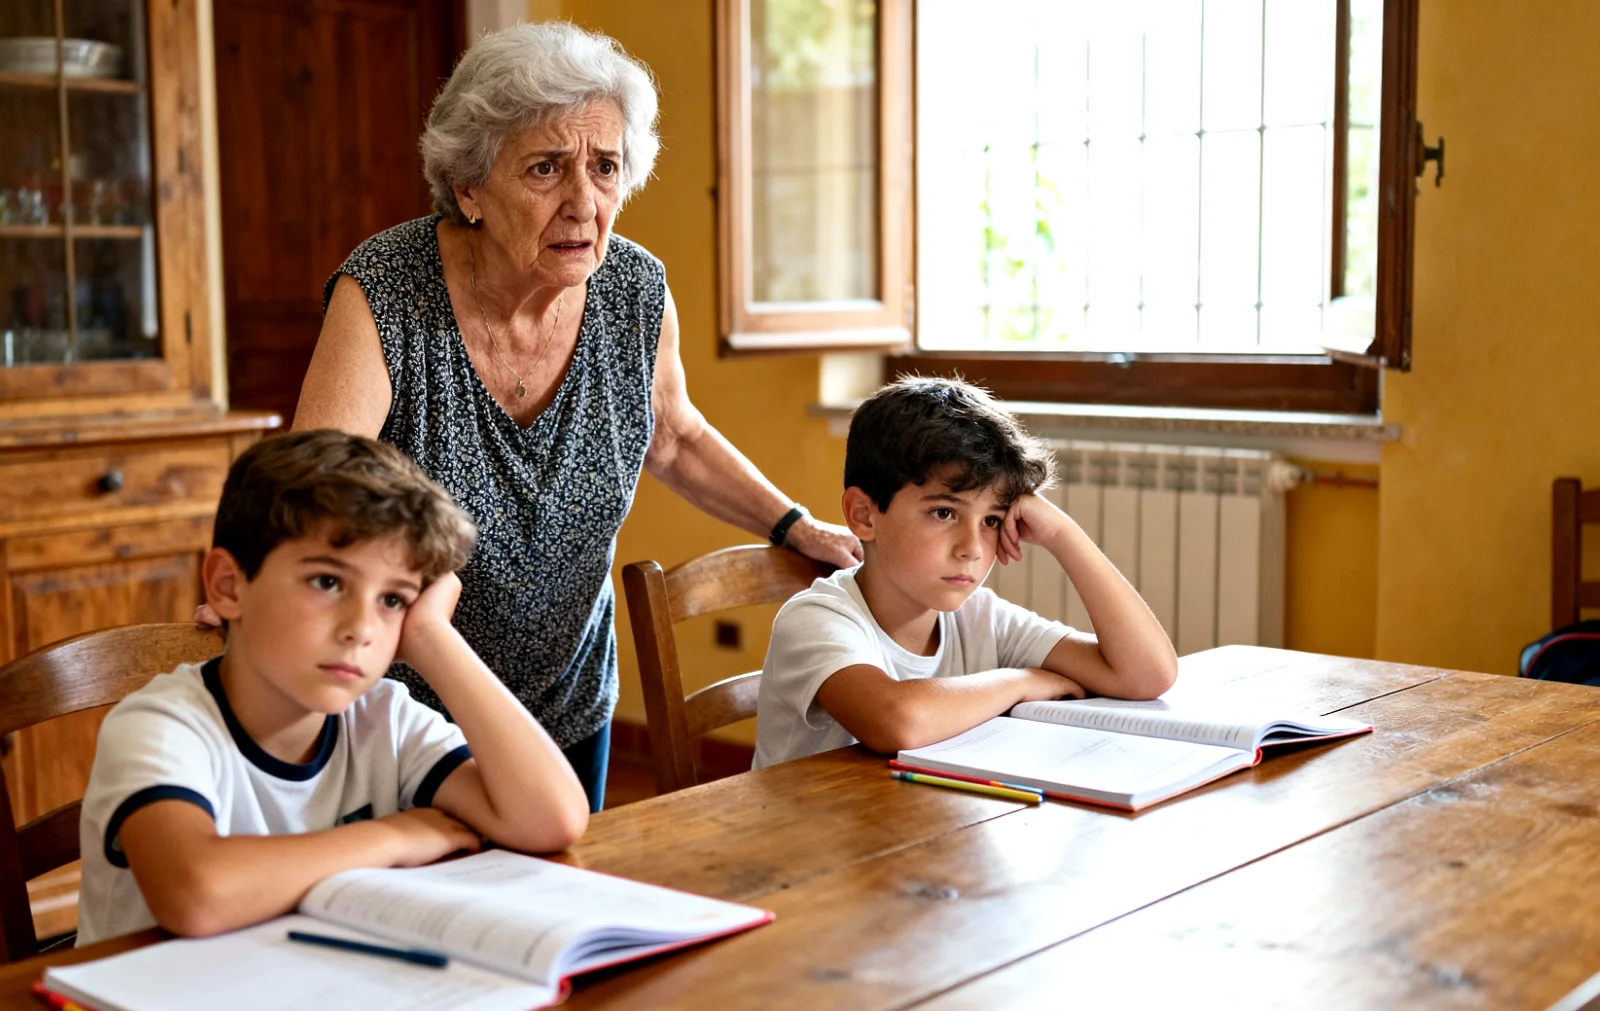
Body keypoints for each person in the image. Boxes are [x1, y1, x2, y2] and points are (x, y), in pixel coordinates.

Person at [284, 22, 861, 811]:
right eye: (547, 168)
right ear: (470, 188)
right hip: (398, 708)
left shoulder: (633, 290)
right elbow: (312, 486)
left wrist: (793, 524)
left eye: (605, 167)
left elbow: (675, 433)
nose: (584, 203)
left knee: (555, 905)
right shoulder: (386, 291)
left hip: (568, 695)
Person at [76, 430, 588, 944]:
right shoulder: (159, 727)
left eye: (393, 600)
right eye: (328, 582)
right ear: (229, 586)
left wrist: (434, 638)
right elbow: (198, 895)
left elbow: (553, 820)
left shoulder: (384, 719)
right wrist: (395, 835)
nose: (361, 629)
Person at [752, 377, 1180, 769]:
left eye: (992, 521)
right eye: (943, 512)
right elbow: (895, 721)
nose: (973, 549)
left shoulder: (980, 619)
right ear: (864, 515)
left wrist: (1064, 536)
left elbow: (1147, 675)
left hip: (912, 833)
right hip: (802, 845)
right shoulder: (816, 619)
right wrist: (1021, 681)